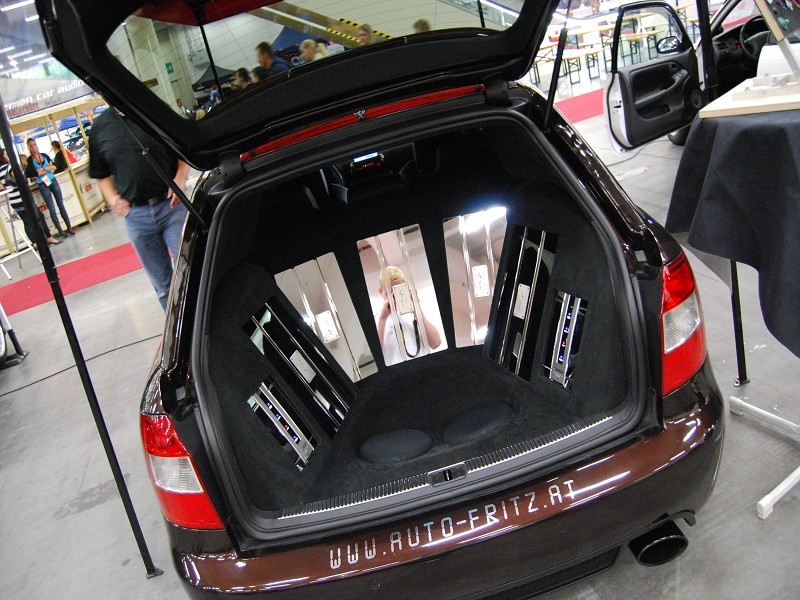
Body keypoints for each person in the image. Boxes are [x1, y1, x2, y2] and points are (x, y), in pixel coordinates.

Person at [88, 108, 189, 310]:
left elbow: (183, 149)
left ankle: (204, 321)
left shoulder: (150, 110)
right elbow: (100, 173)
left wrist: (181, 177)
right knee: (163, 288)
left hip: (172, 206)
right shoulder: (100, 127)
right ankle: (177, 327)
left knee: (191, 269)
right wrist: (112, 197)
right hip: (137, 215)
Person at [376, 266, 442, 366]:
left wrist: (417, 310)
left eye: (398, 290)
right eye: (390, 291)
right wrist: (382, 319)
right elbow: (375, 356)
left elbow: (436, 343)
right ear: (381, 292)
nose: (394, 296)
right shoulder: (377, 319)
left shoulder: (413, 315)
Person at [1, 148, 61, 247]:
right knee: (39, 217)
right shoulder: (10, 167)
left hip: (13, 199)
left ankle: (35, 243)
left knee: (26, 222)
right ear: (3, 156)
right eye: (6, 154)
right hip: (22, 197)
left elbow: (3, 187)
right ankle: (48, 237)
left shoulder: (0, 171)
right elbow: (19, 177)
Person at [24, 137, 75, 237]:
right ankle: (60, 230)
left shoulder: (44, 155)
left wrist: (42, 169)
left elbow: (54, 166)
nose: (34, 147)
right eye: (31, 146)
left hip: (52, 180)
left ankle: (69, 227)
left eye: (34, 144)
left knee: (61, 205)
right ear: (29, 148)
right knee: (51, 208)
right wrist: (47, 168)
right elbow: (35, 173)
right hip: (43, 183)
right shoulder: (30, 160)